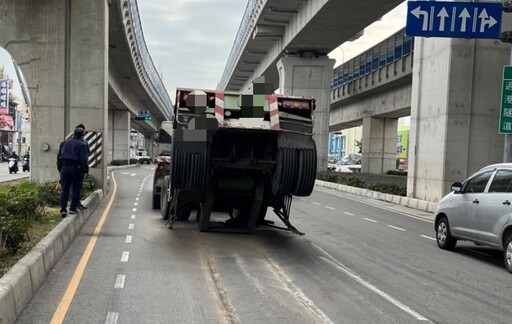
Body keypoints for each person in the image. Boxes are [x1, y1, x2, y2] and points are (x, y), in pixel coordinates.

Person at [57, 128, 89, 218]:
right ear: (82, 135)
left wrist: (60, 169)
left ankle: (63, 209)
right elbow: (83, 160)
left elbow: (58, 158)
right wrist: (85, 171)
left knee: (64, 189)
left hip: (64, 168)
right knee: (75, 188)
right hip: (75, 168)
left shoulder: (63, 143)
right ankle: (72, 209)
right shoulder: (81, 145)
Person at [66, 123, 89, 210]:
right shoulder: (71, 141)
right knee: (73, 187)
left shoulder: (85, 142)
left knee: (78, 187)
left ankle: (77, 203)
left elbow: (86, 157)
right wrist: (74, 131)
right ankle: (74, 204)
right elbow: (66, 138)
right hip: (73, 168)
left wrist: (86, 168)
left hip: (80, 168)